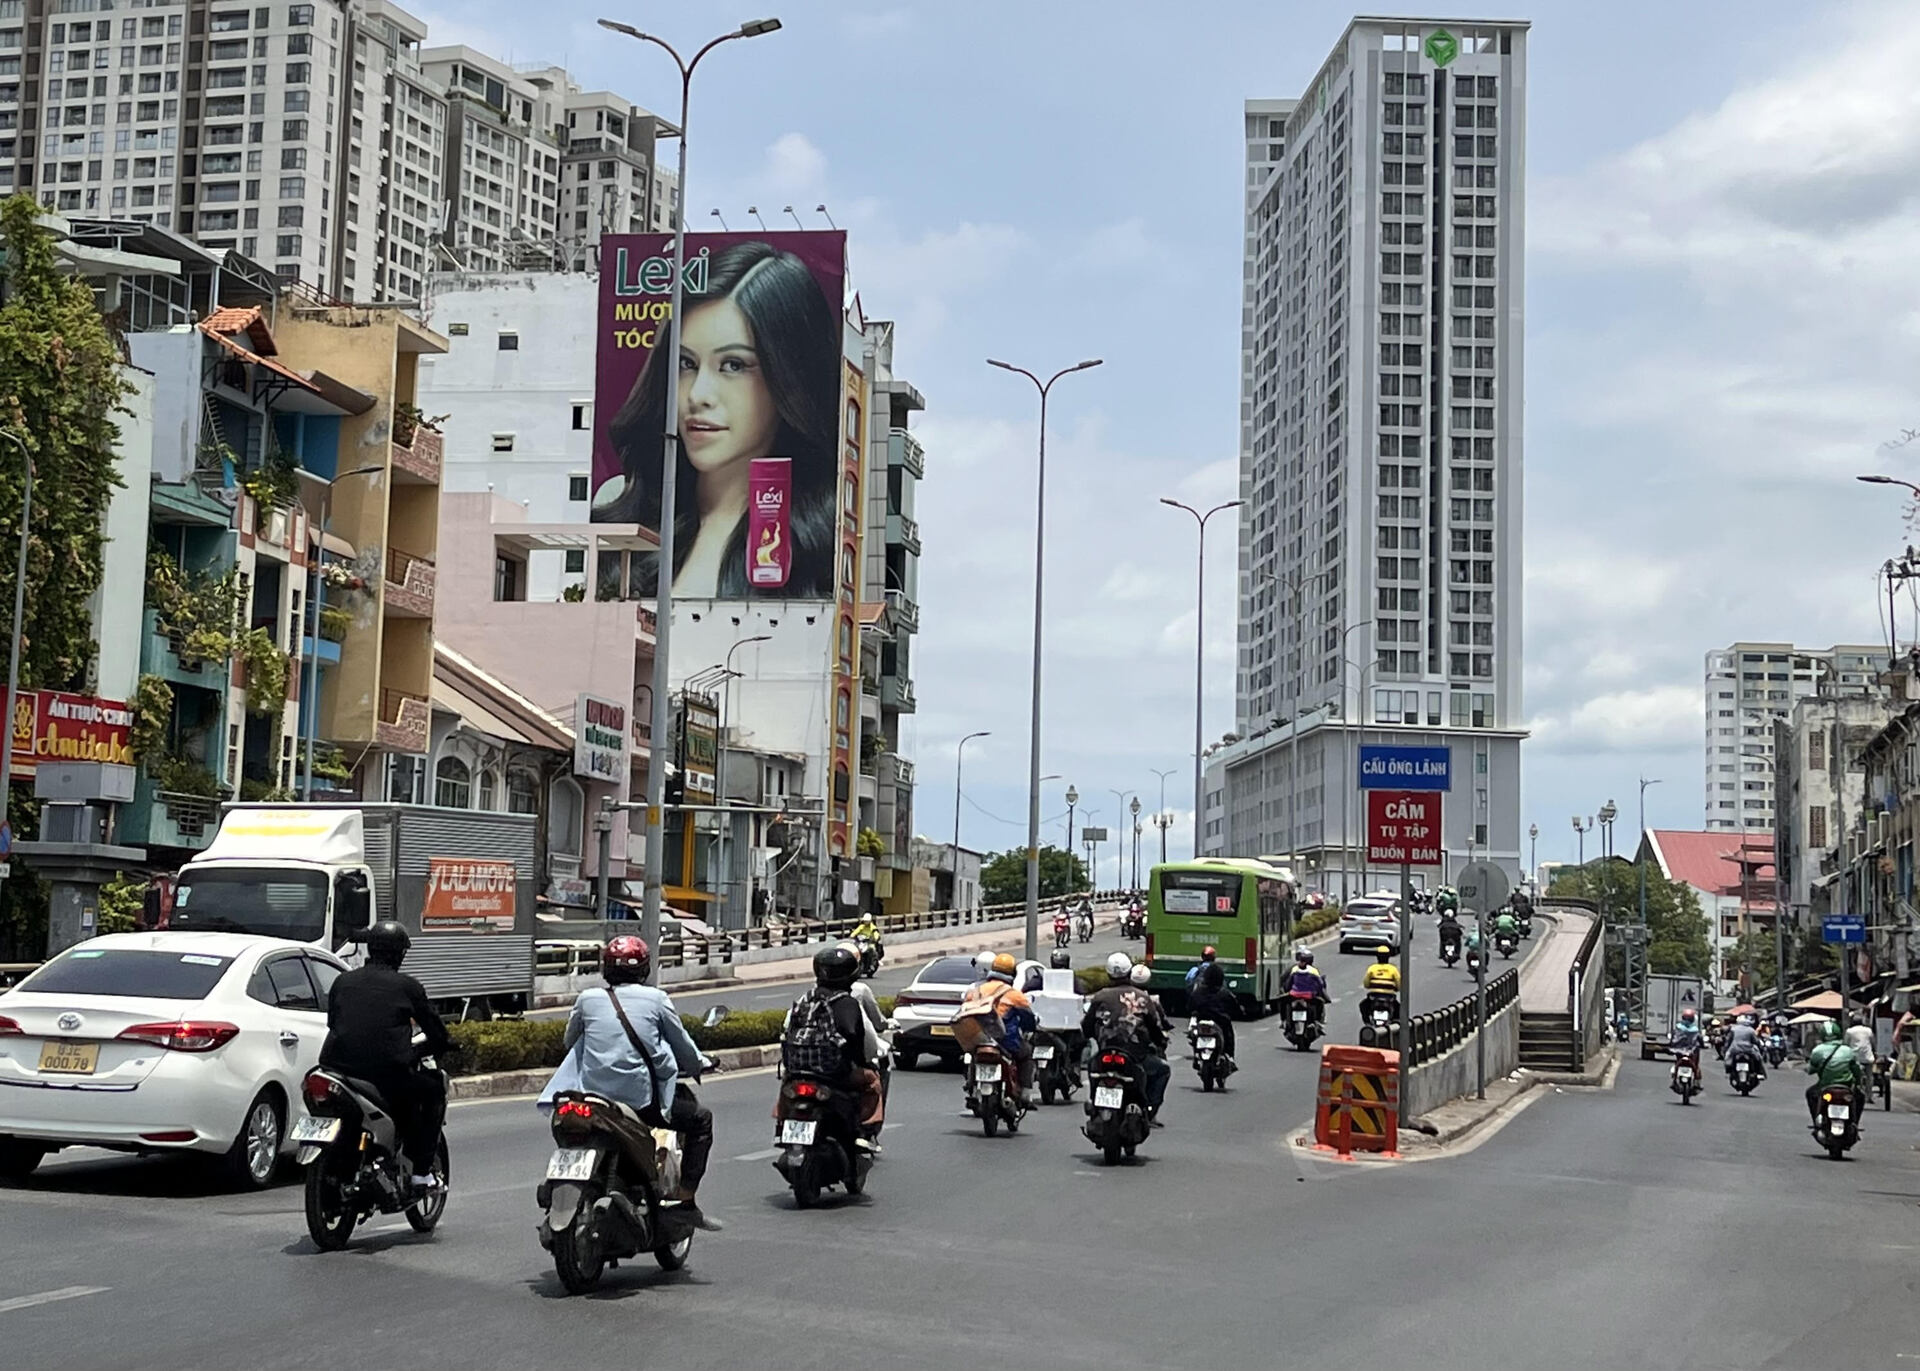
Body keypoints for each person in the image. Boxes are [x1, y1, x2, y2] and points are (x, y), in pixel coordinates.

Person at [599, 239, 841, 598]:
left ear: (789, 377)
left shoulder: (818, 542)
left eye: (733, 365)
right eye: (686, 364)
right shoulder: (621, 505)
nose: (698, 395)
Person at [557, 935, 721, 1229]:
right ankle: (685, 1200)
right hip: (639, 1103)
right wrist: (701, 1063)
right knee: (701, 1120)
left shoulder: (587, 999)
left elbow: (570, 1041)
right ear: (644, 969)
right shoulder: (657, 1000)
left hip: (592, 1101)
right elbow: (683, 1047)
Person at [320, 920, 451, 1192]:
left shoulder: (343, 981)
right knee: (434, 1088)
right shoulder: (408, 987)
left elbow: (334, 1023)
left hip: (336, 1070)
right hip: (387, 1075)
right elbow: (436, 1032)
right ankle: (422, 1173)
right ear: (400, 954)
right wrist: (443, 1045)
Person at [783, 945, 885, 1146]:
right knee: (872, 1080)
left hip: (797, 1069)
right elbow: (856, 1039)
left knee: (787, 1083)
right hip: (833, 1073)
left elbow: (787, 1029)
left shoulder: (806, 999)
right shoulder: (847, 1003)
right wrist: (863, 1062)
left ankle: (781, 1125)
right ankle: (863, 1132)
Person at [1081, 952, 1172, 1123]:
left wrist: (1093, 1036)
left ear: (1109, 974)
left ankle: (1094, 1102)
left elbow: (1087, 1025)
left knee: (1093, 1069)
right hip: (1135, 1056)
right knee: (1162, 1070)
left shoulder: (1100, 997)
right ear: (1129, 972)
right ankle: (1150, 1109)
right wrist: (1161, 1041)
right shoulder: (1143, 998)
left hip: (1105, 1052)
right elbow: (1155, 1027)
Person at [953, 952, 1038, 1105]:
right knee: (1026, 1054)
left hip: (978, 1038)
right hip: (1006, 1041)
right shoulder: (1014, 995)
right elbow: (1028, 1019)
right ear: (1012, 973)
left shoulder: (975, 992)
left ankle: (970, 1084)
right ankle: (1025, 1093)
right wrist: (1031, 1029)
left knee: (973, 1055)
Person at [1805, 1019, 1866, 1125]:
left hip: (1825, 1086)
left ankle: (1816, 1120)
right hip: (1846, 1086)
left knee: (1810, 1094)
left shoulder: (1817, 1050)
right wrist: (1858, 1083)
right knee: (1860, 1097)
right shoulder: (1847, 1051)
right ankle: (1855, 1122)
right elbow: (1856, 1070)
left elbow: (1810, 1070)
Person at [1186, 960, 1238, 1060]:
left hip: (1201, 1021)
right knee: (1228, 1032)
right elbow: (1235, 1008)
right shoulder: (1225, 993)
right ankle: (1229, 1056)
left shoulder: (1198, 992)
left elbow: (1189, 1007)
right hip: (1219, 1023)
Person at [1284, 946, 1330, 1026]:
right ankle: (1318, 1020)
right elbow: (1320, 984)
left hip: (1294, 995)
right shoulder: (1313, 971)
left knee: (1284, 1002)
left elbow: (1287, 983)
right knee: (1320, 1002)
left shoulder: (1294, 969)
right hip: (1308, 995)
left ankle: (1284, 1021)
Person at [1361, 945, 1402, 1022]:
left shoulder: (1372, 968)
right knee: (1398, 1010)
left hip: (1373, 997)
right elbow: (1399, 984)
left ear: (1377, 956)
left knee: (1363, 1006)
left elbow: (1366, 984)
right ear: (1388, 956)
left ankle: (1367, 1023)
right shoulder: (1393, 969)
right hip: (1389, 998)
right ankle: (1395, 1025)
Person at [1724, 1013, 1766, 1080]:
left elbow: (1728, 1041)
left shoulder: (1733, 1029)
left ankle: (1728, 1072)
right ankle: (1759, 1073)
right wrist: (1760, 1047)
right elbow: (1755, 1041)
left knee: (1727, 1058)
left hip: (1735, 1049)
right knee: (1758, 1058)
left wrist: (1725, 1050)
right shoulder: (1751, 1030)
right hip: (1748, 1049)